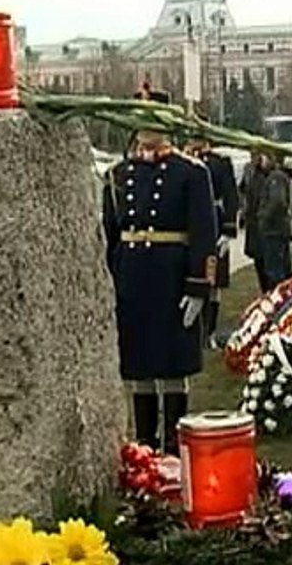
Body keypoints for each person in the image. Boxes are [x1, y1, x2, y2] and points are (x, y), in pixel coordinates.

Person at [103, 87, 218, 454]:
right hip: (133, 280)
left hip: (171, 279)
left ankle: (172, 445)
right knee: (139, 369)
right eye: (140, 121)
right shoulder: (119, 175)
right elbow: (109, 235)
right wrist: (106, 285)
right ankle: (145, 445)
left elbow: (203, 232)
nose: (146, 130)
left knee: (171, 368)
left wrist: (199, 286)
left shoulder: (190, 173)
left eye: (152, 121)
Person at [184, 132, 240, 348]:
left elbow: (230, 196)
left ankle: (209, 331)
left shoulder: (219, 162)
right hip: (188, 225)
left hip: (214, 223)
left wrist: (228, 230)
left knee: (213, 280)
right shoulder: (183, 160)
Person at [255, 154, 292, 288]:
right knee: (283, 267)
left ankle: (279, 298)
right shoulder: (281, 176)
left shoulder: (276, 177)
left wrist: (263, 217)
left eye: (265, 158)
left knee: (275, 271)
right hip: (280, 229)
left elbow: (277, 201)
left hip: (274, 230)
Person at [240, 154, 273, 293]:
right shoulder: (249, 171)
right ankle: (265, 290)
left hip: (268, 225)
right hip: (253, 222)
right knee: (258, 259)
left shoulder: (273, 174)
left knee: (270, 262)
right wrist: (243, 211)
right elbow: (243, 190)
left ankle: (272, 291)